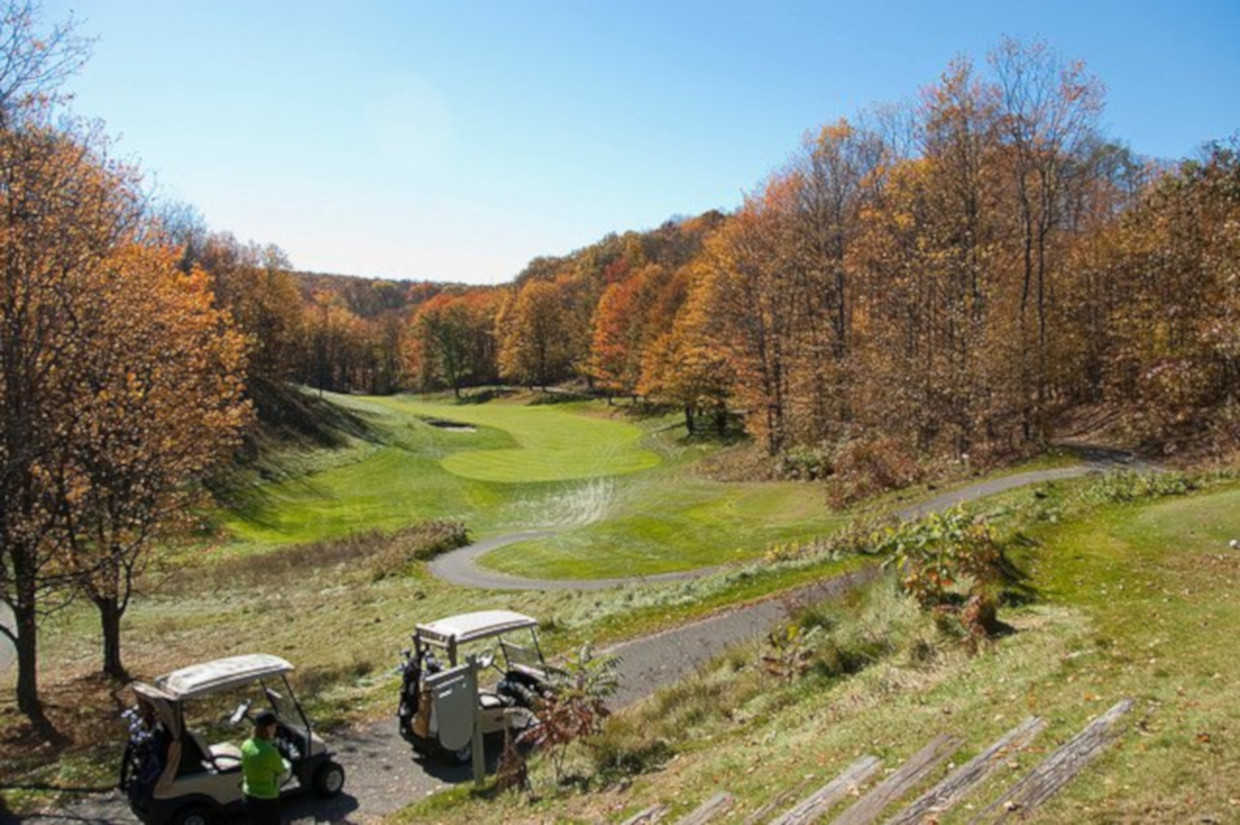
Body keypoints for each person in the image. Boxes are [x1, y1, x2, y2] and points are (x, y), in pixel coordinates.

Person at [241, 710, 286, 825]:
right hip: (267, 798)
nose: (275, 729)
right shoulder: (270, 751)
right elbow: (281, 770)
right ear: (269, 728)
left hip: (249, 795)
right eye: (274, 726)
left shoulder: (246, 744)